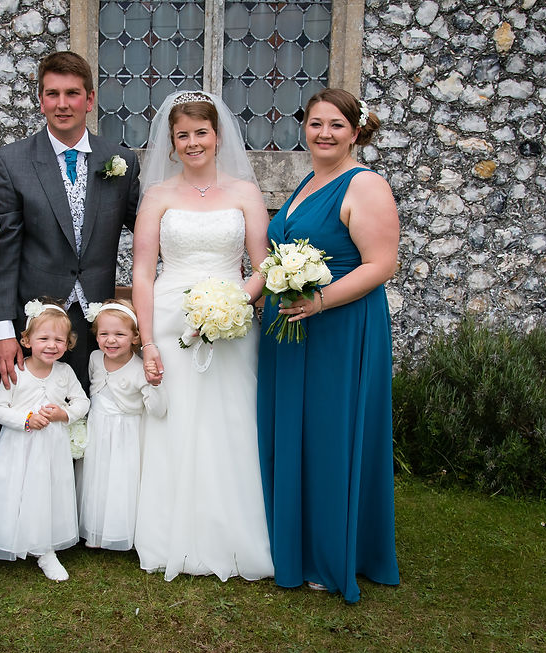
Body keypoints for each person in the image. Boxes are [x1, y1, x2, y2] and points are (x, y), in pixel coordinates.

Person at [256, 88, 401, 603]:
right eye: (315, 123)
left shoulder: (366, 185)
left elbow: (381, 264)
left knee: (327, 435)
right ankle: (293, 543)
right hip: (291, 330)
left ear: (356, 130)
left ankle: (330, 553)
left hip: (338, 327)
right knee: (293, 431)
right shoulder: (310, 181)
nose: (323, 133)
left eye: (336, 125)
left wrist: (320, 302)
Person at [131, 90, 274, 581]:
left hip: (230, 324)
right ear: (171, 144)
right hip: (172, 319)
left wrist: (236, 301)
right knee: (178, 420)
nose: (193, 143)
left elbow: (263, 264)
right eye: (182, 135)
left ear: (217, 136)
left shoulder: (245, 193)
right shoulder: (158, 196)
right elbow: (143, 271)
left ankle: (232, 533)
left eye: (201, 133)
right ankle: (173, 534)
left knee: (229, 421)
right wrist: (147, 342)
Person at [0, 51, 140, 391]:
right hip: (34, 327)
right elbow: (3, 254)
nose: (62, 103)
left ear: (89, 100)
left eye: (72, 93)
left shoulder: (120, 161)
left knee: (96, 418)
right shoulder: (11, 163)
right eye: (52, 94)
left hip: (99, 326)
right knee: (29, 423)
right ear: (40, 100)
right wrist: (2, 331)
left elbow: (149, 234)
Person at [0, 301, 90, 581]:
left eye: (59, 340)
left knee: (47, 492)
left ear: (68, 343)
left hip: (51, 448)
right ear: (26, 340)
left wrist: (63, 414)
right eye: (43, 338)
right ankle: (16, 537)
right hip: (19, 447)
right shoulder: (18, 373)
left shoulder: (64, 372)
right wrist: (25, 420)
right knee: (19, 491)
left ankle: (45, 549)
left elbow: (82, 402)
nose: (51, 345)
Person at [77, 299, 167, 551]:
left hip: (125, 435)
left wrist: (155, 385)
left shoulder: (140, 369)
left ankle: (120, 530)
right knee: (95, 479)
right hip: (98, 431)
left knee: (119, 482)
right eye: (104, 334)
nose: (111, 340)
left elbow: (158, 410)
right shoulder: (95, 358)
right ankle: (95, 529)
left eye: (119, 334)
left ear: (136, 337)